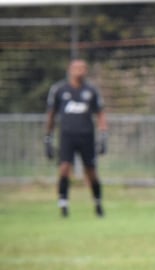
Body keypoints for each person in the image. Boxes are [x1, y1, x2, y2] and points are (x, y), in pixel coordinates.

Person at [44, 59, 108, 218]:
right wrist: (48, 137)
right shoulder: (59, 89)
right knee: (64, 168)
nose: (80, 71)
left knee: (91, 171)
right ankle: (63, 205)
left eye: (83, 68)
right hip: (66, 136)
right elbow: (51, 114)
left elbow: (100, 114)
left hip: (87, 136)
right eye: (76, 68)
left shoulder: (91, 90)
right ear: (70, 70)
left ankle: (98, 203)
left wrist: (103, 135)